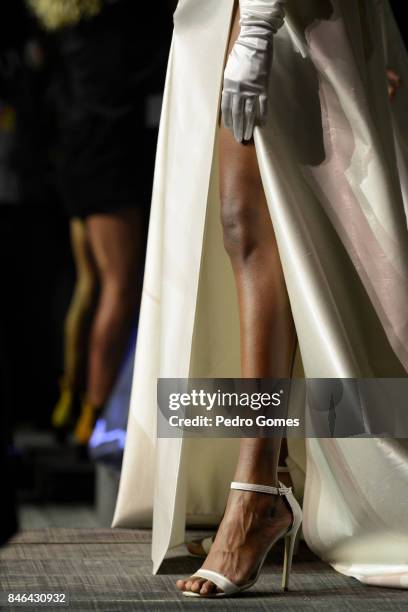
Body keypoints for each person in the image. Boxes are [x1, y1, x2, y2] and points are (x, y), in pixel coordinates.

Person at [114, 0, 408, 597]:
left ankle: (255, 494)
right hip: (228, 17)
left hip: (279, 17)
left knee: (273, 239)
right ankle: (269, 476)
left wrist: (256, 29)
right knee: (258, 239)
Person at [27, 0, 172, 444]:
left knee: (90, 284)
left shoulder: (66, 23)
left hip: (75, 156)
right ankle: (95, 409)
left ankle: (72, 400)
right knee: (118, 287)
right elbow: (134, 79)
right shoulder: (112, 21)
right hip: (106, 157)